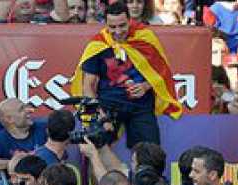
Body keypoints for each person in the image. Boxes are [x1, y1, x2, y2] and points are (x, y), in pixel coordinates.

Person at [71, 0, 183, 147]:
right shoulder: (98, 44)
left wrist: (145, 86)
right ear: (105, 24)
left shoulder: (145, 37)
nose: (118, 31)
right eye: (112, 27)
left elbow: (162, 73)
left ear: (130, 20)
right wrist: (99, 115)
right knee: (94, 146)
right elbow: (88, 86)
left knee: (150, 152)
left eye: (122, 25)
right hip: (107, 105)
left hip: (141, 106)